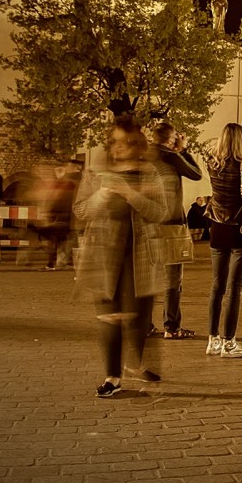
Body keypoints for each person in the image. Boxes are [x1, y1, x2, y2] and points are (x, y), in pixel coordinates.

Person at [73, 117, 171, 397]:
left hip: (140, 255)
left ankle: (137, 364)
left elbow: (160, 212)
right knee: (110, 317)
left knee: (139, 319)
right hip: (103, 255)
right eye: (115, 141)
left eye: (127, 142)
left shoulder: (148, 172)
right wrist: (101, 197)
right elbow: (81, 211)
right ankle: (112, 377)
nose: (120, 147)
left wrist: (131, 194)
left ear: (137, 144)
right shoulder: (96, 173)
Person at [201, 122, 242, 357]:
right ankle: (229, 342)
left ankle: (212, 340)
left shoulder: (212, 164)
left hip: (218, 228)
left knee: (217, 287)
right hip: (241, 229)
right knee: (234, 289)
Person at [151, 121, 203, 340]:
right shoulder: (170, 156)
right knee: (173, 280)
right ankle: (171, 327)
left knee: (149, 278)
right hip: (170, 225)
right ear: (171, 139)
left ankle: (144, 325)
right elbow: (196, 174)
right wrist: (183, 150)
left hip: (147, 223)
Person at [30, 160, 78, 271]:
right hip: (61, 219)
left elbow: (60, 202)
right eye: (57, 171)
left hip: (61, 219)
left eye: (60, 170)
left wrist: (53, 215)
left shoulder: (66, 185)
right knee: (56, 242)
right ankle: (59, 262)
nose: (57, 173)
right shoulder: (65, 185)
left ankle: (53, 263)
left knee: (53, 241)